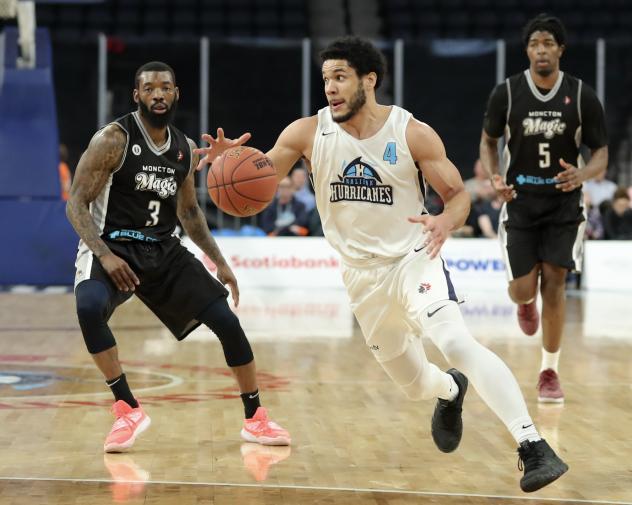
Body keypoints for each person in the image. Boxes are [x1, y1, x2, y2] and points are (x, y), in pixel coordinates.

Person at [196, 36, 567, 493]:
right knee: (414, 385)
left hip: (414, 259)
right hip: (361, 278)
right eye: (326, 78)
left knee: (455, 340)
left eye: (340, 77)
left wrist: (445, 222)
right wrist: (229, 166)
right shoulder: (307, 132)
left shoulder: (410, 132)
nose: (330, 87)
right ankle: (450, 392)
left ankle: (533, 445)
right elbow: (262, 180)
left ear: (368, 81)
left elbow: (458, 196)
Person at [65, 61, 290, 453]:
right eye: (149, 88)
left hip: (163, 249)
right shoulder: (113, 139)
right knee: (89, 307)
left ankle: (256, 418)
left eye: (165, 88)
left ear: (176, 94)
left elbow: (188, 213)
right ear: (137, 96)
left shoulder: (183, 148)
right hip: (112, 244)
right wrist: (105, 255)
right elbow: (76, 204)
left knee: (226, 321)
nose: (158, 94)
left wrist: (219, 261)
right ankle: (127, 408)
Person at [479, 14, 608, 403]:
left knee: (556, 283)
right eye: (535, 44)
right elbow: (487, 141)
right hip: (519, 203)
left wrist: (582, 174)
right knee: (522, 290)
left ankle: (548, 370)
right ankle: (525, 304)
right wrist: (495, 177)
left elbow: (601, 153)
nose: (541, 50)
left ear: (560, 50)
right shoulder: (507, 92)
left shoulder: (582, 95)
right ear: (527, 51)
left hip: (563, 205)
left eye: (548, 43)